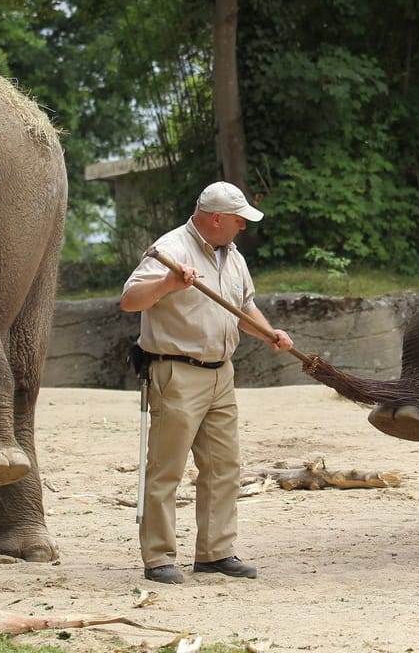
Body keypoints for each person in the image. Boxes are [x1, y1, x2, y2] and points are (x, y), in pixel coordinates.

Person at [120, 181, 294, 584]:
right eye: (238, 221)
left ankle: (215, 552)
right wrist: (167, 284)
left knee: (223, 466)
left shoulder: (232, 255)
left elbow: (243, 306)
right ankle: (158, 557)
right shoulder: (172, 249)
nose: (243, 228)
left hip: (222, 373)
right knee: (166, 468)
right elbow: (130, 300)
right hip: (176, 372)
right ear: (216, 218)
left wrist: (269, 334)